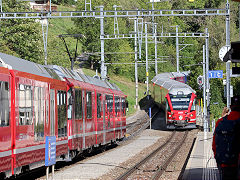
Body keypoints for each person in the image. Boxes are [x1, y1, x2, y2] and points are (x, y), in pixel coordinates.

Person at [212, 96, 240, 180]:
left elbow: (214, 144)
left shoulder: (220, 122)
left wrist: (218, 161)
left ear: (231, 106)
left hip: (224, 163)